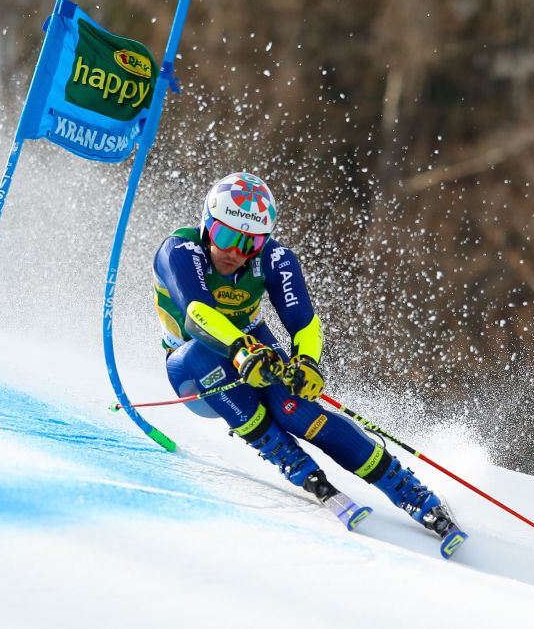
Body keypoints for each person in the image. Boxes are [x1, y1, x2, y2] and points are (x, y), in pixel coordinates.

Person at [152, 171, 463, 546]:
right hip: (195, 372)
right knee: (199, 356)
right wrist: (240, 349)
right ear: (206, 225)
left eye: (250, 244)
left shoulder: (276, 258)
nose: (235, 252)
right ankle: (288, 457)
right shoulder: (180, 249)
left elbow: (304, 322)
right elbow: (196, 313)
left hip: (252, 347)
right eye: (226, 236)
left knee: (293, 409)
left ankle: (410, 493)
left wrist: (307, 362)